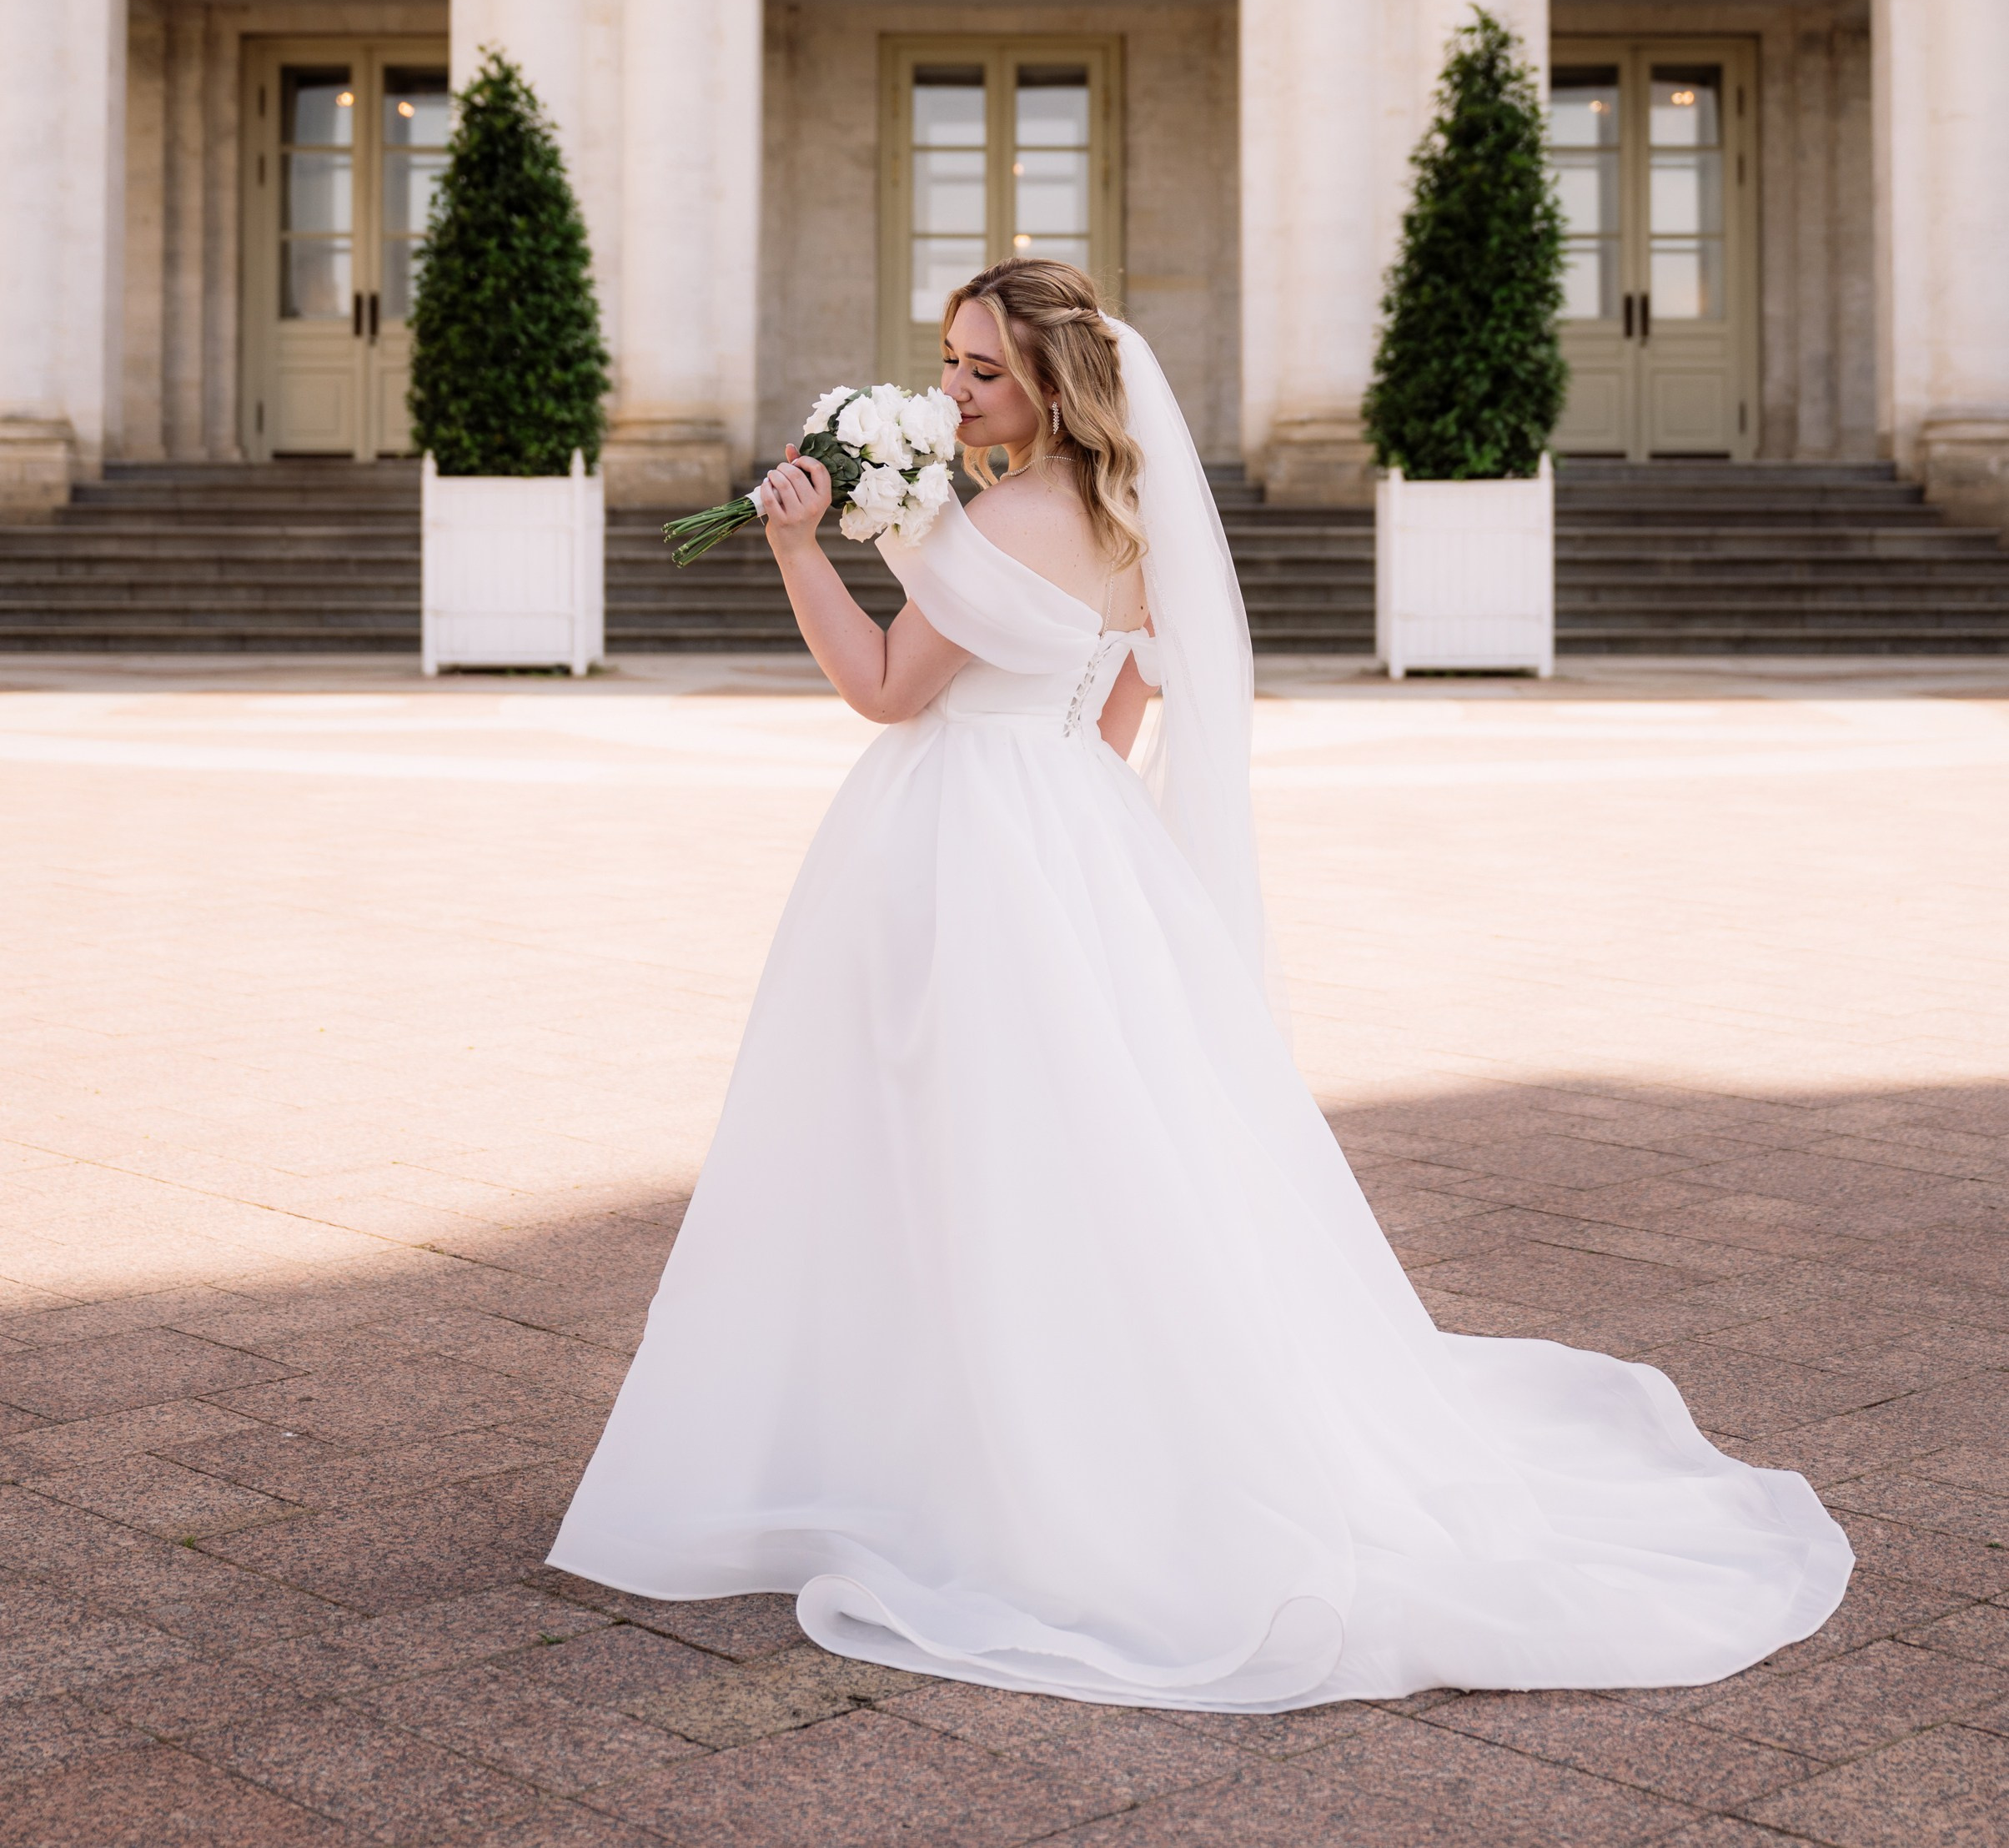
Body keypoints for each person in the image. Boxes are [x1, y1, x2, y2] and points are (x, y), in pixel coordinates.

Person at [549, 256, 1851, 1709]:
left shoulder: (1010, 514)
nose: (954, 389)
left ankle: (926, 1443)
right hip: (1074, 843)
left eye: (983, 369)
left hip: (962, 840)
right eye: (947, 361)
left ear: (1052, 382)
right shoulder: (1130, 520)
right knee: (1084, 1144)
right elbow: (1114, 716)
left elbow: (881, 687)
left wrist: (797, 544)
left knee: (928, 1138)